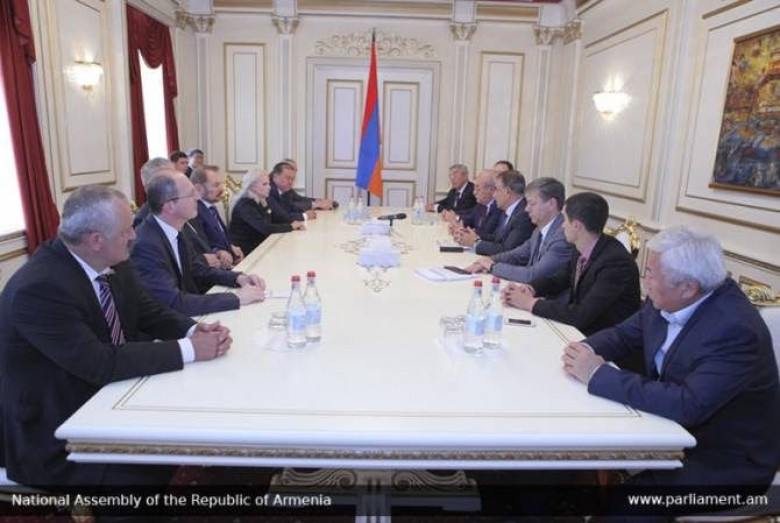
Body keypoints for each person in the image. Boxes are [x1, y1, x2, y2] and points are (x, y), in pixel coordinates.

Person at [0, 185, 232, 487]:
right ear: (96, 240)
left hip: (102, 392)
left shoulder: (112, 259)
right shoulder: (40, 288)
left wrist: (192, 329)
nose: (134, 235)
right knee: (142, 473)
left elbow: (147, 310)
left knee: (180, 421)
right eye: (126, 231)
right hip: (53, 426)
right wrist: (191, 349)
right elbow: (98, 362)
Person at [563, 226, 780, 494]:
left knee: (631, 500)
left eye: (651, 274)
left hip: (723, 460)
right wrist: (580, 350)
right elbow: (623, 335)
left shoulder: (735, 330)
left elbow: (687, 404)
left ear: (688, 288)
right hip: (669, 428)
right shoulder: (670, 297)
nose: (645, 281)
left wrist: (596, 373)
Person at [503, 191, 640, 336]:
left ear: (577, 226)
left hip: (601, 340)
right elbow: (559, 279)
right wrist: (530, 289)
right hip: (577, 331)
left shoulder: (616, 263)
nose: (562, 226)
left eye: (565, 220)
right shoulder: (583, 245)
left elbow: (581, 314)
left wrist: (529, 303)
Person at [131, 170, 266, 316]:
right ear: (169, 206)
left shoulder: (178, 228)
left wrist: (238, 278)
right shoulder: (145, 245)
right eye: (191, 194)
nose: (197, 196)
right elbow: (174, 302)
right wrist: (236, 298)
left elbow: (198, 269)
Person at [466, 177, 573, 282]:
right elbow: (516, 255)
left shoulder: (563, 236)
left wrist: (492, 266)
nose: (527, 209)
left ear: (551, 204)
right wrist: (488, 260)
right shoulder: (539, 229)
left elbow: (532, 275)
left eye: (532, 204)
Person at [456, 169, 534, 256]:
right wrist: (473, 236)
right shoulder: (507, 211)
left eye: (496, 190)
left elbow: (507, 250)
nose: (493, 195)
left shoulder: (523, 215)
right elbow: (496, 238)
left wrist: (475, 242)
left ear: (507, 192)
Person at [230, 168, 305, 255]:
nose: (269, 187)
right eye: (264, 184)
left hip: (262, 245)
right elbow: (264, 228)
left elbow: (274, 219)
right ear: (252, 187)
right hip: (246, 252)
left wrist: (293, 224)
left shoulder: (260, 201)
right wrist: (291, 226)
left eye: (269, 183)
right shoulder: (245, 205)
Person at [190, 165, 244, 267]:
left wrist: (231, 247)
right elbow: (198, 245)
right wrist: (217, 252)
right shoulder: (193, 211)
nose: (222, 188)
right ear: (199, 188)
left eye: (221, 184)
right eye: (216, 185)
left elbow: (220, 237)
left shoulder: (211, 207)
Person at [442, 169, 502, 240]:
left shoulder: (499, 208)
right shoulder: (481, 206)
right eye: (474, 188)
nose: (474, 193)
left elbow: (490, 236)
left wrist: (464, 231)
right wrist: (458, 226)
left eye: (478, 189)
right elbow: (469, 219)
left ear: (491, 190)